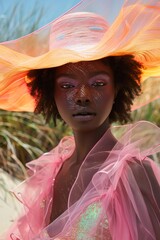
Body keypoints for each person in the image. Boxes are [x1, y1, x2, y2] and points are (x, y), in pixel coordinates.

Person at [0, 0, 160, 239]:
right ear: (48, 92)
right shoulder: (50, 174)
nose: (83, 97)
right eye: (67, 86)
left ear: (117, 88)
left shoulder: (133, 174)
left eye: (98, 84)